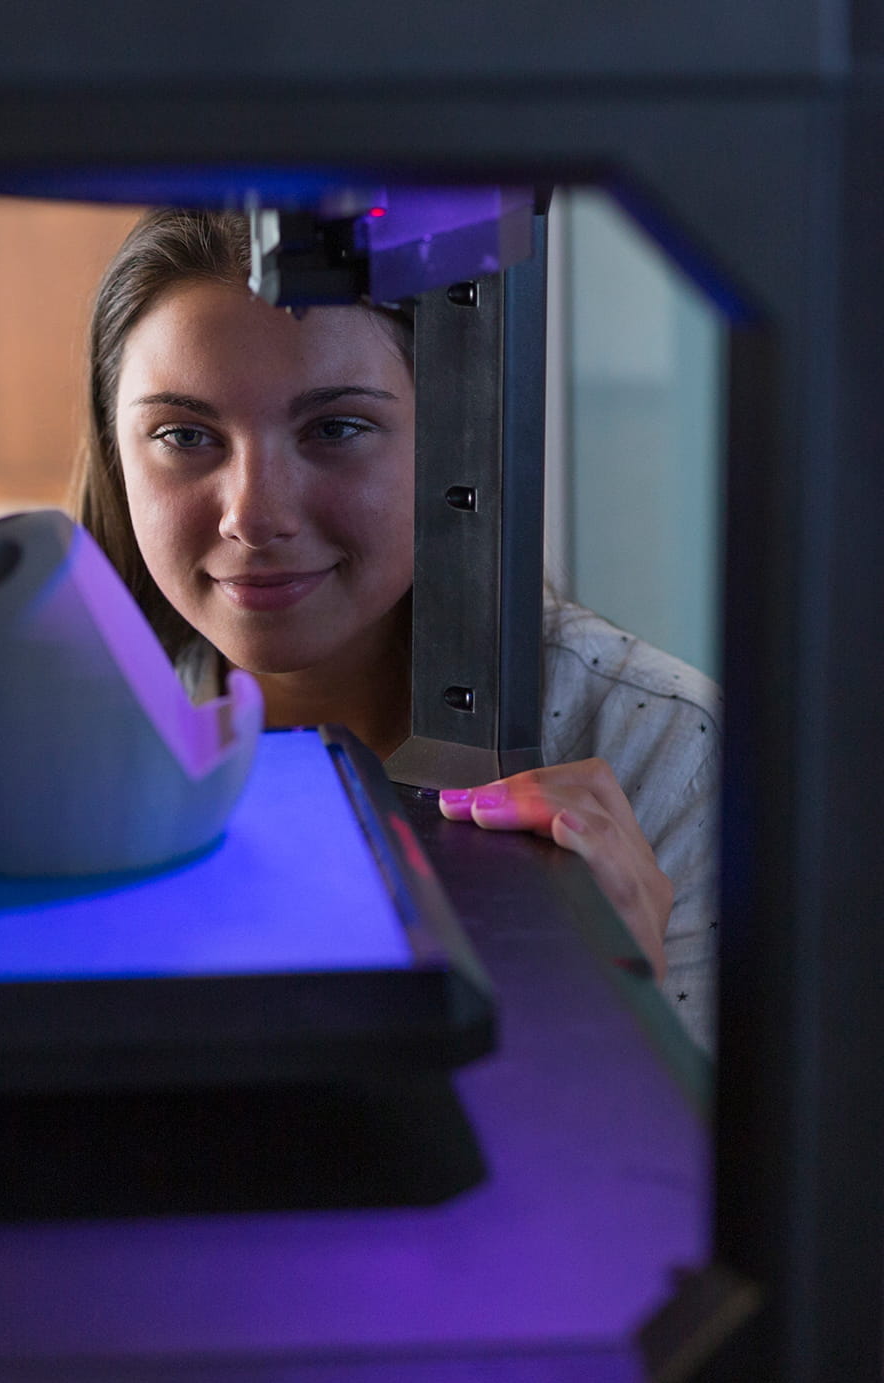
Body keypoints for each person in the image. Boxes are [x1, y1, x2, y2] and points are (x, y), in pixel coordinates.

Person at [72, 208, 720, 1053]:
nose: (254, 515)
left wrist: (606, 1014)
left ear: (457, 441)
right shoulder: (66, 742)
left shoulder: (675, 760)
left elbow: (725, 1170)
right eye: (184, 436)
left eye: (335, 428)